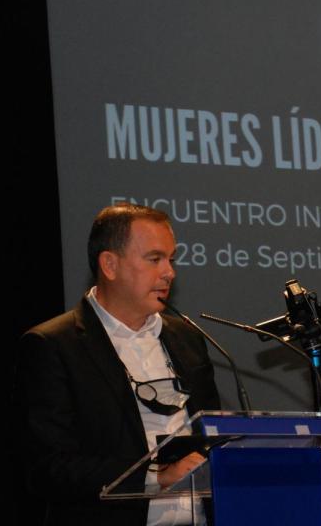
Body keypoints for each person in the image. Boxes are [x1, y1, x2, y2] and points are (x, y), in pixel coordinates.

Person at [17, 203, 221, 525]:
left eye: (171, 259)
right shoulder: (55, 345)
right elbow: (50, 468)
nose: (170, 272)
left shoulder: (187, 337)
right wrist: (158, 476)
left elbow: (211, 432)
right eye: (155, 259)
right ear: (110, 264)